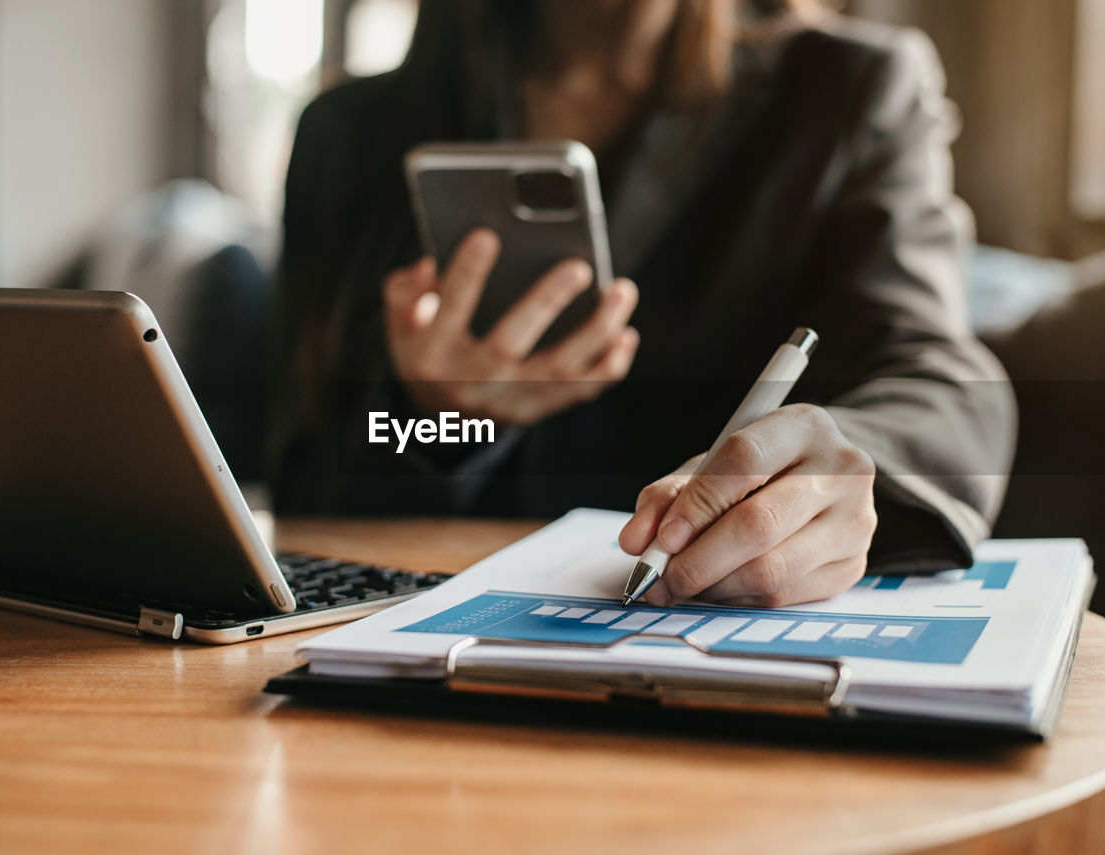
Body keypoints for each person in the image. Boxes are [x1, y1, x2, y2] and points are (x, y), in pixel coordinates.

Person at [269, 0, 1015, 608]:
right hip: (408, 667)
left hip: (696, 657)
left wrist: (839, 468)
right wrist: (436, 418)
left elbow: (945, 387)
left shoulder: (848, 92)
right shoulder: (347, 135)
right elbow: (304, 473)